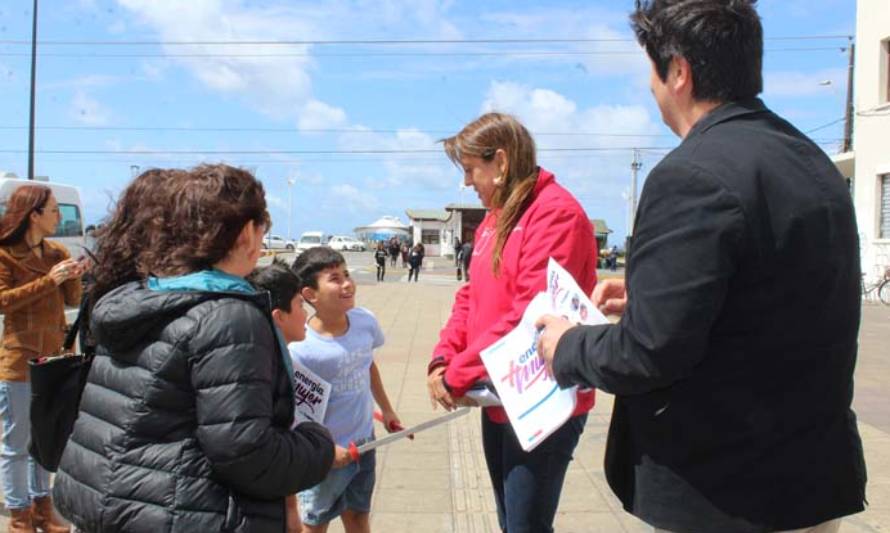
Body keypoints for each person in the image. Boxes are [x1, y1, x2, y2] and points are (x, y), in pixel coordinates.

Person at [536, 2, 867, 532]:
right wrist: (652, 293)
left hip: (724, 495)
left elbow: (648, 353)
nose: (649, 87)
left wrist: (567, 345)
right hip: (809, 486)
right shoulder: (810, 163)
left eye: (651, 69)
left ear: (679, 72)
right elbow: (767, 299)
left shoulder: (692, 176)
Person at [52, 165, 335, 532]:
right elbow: (246, 453)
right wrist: (318, 446)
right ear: (247, 231)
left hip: (112, 503)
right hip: (179, 513)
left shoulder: (144, 295)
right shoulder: (229, 316)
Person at [426, 112, 598, 533]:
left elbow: (528, 315)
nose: (467, 183)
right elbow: (470, 296)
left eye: (471, 170)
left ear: (501, 162)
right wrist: (443, 357)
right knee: (511, 524)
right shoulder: (496, 217)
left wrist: (459, 375)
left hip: (542, 398)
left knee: (526, 528)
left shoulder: (555, 214)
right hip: (500, 395)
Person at [290, 247, 401, 533]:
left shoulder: (365, 321)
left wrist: (387, 409)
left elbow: (368, 366)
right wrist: (324, 450)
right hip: (324, 457)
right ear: (310, 294)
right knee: (314, 525)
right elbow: (294, 409)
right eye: (335, 278)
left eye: (347, 275)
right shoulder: (301, 347)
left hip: (365, 443)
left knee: (358, 518)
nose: (347, 283)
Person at [0, 185, 84, 533]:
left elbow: (70, 300)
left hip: (55, 360)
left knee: (45, 440)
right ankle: (19, 515)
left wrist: (74, 278)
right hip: (19, 360)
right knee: (16, 444)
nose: (59, 217)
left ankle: (41, 507)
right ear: (33, 214)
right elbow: (3, 301)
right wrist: (49, 281)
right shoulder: (5, 255)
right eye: (53, 210)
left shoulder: (57, 251)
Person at [247, 258, 312, 533]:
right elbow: (269, 442)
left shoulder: (266, 354)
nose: (306, 313)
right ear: (279, 316)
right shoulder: (263, 369)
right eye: (299, 304)